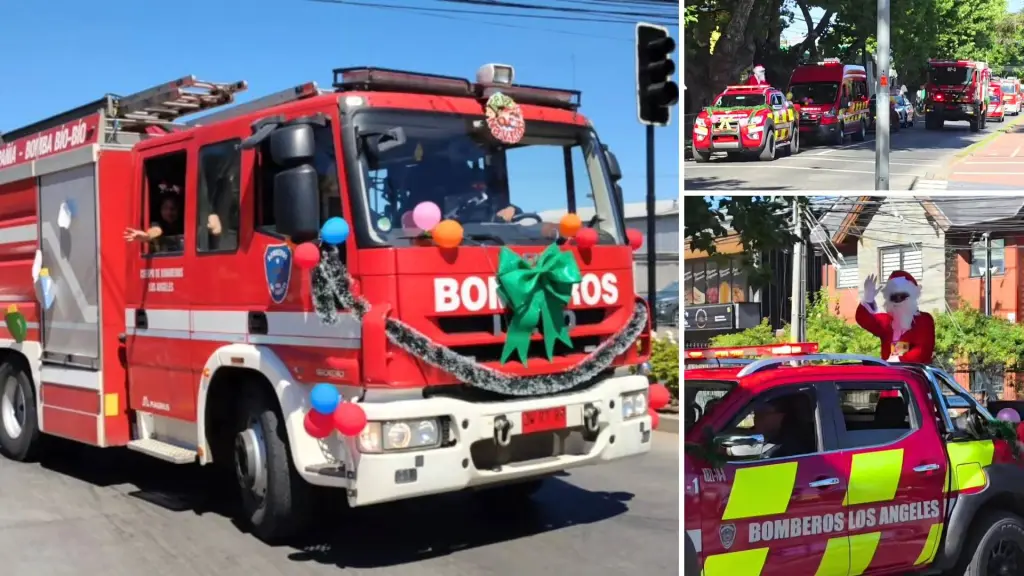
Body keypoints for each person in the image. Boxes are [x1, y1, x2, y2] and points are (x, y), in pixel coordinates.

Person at [856, 270, 935, 363]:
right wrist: (868, 299)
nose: (898, 301)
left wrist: (898, 360)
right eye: (894, 297)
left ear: (912, 296)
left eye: (902, 296)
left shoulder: (923, 320)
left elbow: (923, 350)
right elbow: (864, 320)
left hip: (914, 374)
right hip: (891, 375)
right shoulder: (887, 321)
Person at [124, 185, 185, 252]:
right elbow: (156, 230)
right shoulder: (157, 225)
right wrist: (147, 236)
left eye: (173, 208)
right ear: (160, 210)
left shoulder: (185, 225)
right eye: (165, 208)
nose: (169, 212)